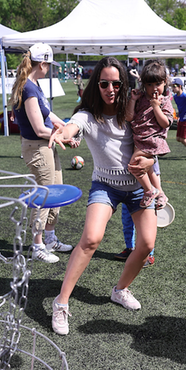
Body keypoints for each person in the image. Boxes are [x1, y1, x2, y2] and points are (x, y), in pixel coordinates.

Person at [47, 56, 158, 335]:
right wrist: (62, 133)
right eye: (104, 83)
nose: (111, 89)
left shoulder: (133, 109)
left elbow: (152, 144)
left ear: (124, 85)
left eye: (116, 84)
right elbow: (72, 126)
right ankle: (60, 303)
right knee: (91, 239)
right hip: (105, 186)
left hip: (138, 188)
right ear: (96, 84)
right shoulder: (88, 115)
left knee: (146, 244)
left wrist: (151, 168)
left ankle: (120, 290)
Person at [10, 43, 74, 264]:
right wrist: (62, 136)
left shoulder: (33, 85)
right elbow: (39, 129)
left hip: (46, 145)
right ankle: (38, 245)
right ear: (42, 64)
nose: (50, 69)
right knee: (45, 196)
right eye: (49, 65)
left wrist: (65, 127)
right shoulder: (28, 88)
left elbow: (48, 114)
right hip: (37, 147)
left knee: (56, 193)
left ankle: (49, 239)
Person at [125, 60, 174, 207]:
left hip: (152, 140)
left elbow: (165, 123)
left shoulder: (164, 101)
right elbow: (129, 117)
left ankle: (149, 190)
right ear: (144, 84)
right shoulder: (140, 98)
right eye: (149, 85)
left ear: (165, 82)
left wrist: (155, 107)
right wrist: (133, 100)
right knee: (147, 168)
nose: (154, 88)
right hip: (139, 139)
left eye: (158, 84)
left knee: (134, 165)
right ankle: (161, 194)